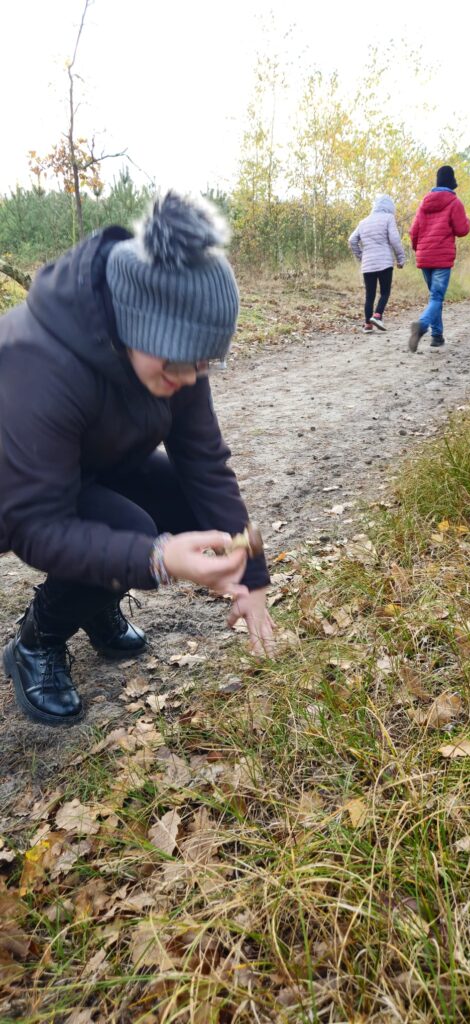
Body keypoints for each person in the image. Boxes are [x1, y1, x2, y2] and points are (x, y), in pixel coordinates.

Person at [0, 192, 275, 727]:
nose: (189, 378)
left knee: (177, 497)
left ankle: (96, 597)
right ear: (136, 323)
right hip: (16, 492)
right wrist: (158, 559)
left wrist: (253, 573)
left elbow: (205, 463)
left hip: (83, 468)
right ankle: (37, 640)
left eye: (204, 362)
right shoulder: (37, 365)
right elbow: (33, 524)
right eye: (180, 362)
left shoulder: (173, 356)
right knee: (133, 530)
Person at [408, 165, 470, 352]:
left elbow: (414, 231)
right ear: (451, 182)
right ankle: (422, 325)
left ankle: (437, 336)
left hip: (425, 257)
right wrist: (467, 221)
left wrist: (418, 249)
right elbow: (462, 230)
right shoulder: (454, 202)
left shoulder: (424, 203)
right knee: (436, 297)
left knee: (434, 298)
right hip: (442, 258)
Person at [348, 195, 405, 334]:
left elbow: (352, 240)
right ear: (390, 207)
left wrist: (361, 256)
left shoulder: (363, 222)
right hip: (384, 262)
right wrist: (401, 258)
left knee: (370, 295)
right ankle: (377, 316)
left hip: (368, 265)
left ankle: (368, 324)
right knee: (385, 292)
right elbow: (395, 239)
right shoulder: (388, 218)